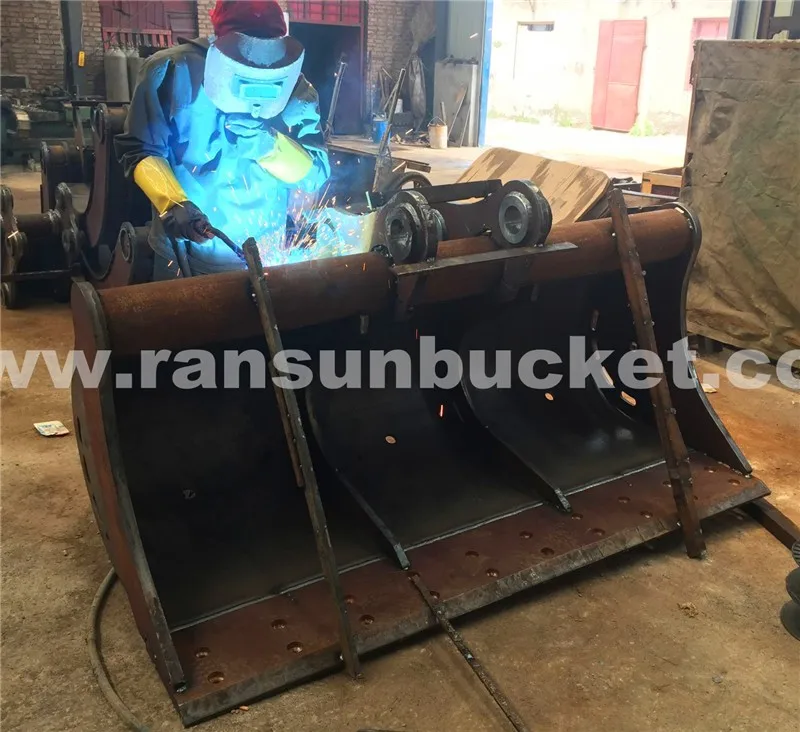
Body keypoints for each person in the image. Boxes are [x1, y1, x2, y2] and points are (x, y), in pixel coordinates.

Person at [115, 0, 330, 279]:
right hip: (185, 251)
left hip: (266, 254)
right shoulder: (171, 70)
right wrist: (172, 201)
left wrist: (269, 146)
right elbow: (141, 150)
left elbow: (315, 174)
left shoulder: (294, 87)